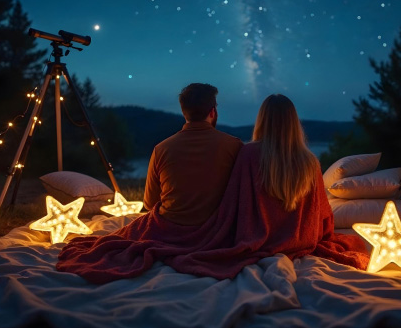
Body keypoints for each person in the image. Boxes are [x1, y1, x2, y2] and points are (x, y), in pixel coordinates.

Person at [56, 94, 368, 283]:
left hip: (255, 241)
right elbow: (321, 215)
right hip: (299, 241)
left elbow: (236, 205)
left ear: (263, 120)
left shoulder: (248, 153)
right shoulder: (310, 161)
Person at [143, 82, 244, 225]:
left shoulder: (161, 149)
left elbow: (150, 203)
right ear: (212, 112)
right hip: (217, 229)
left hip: (171, 229)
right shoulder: (234, 146)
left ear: (184, 112)